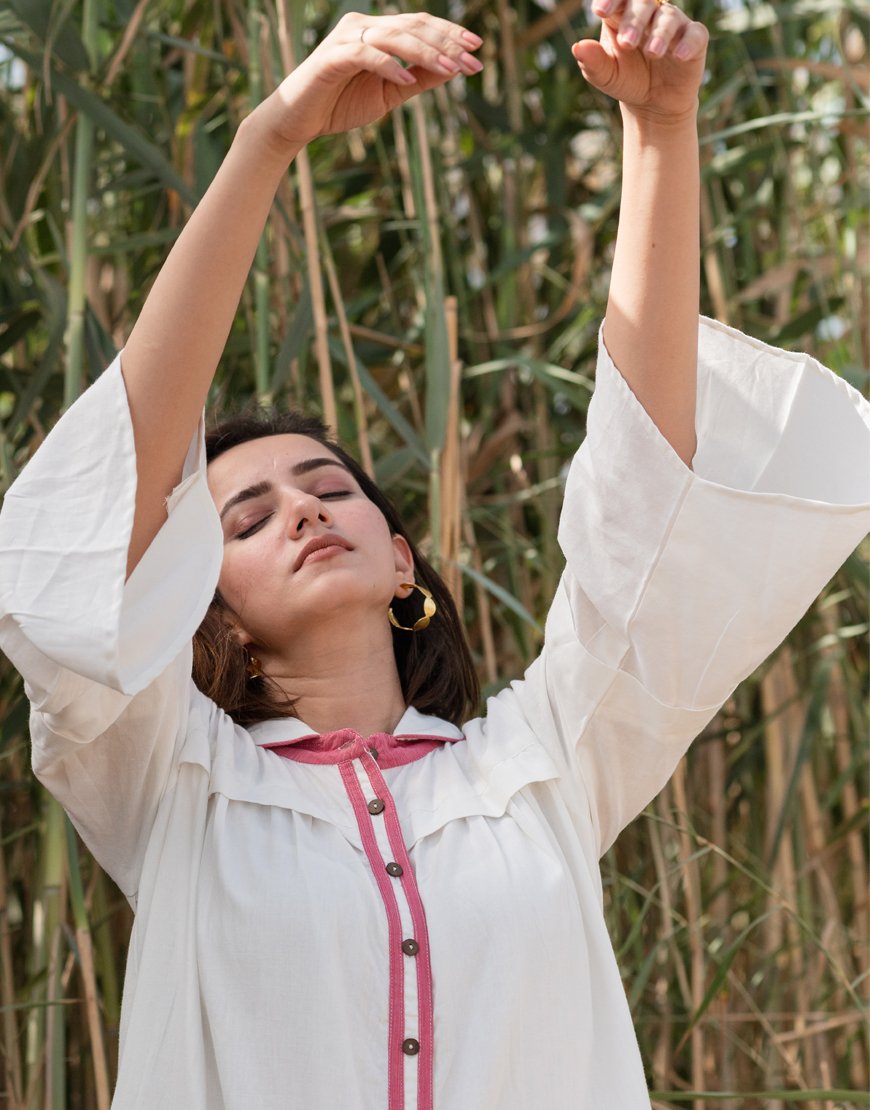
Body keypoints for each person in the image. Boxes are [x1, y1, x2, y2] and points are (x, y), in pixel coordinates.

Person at [1, 4, 868, 1108]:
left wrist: (662, 134)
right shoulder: (171, 786)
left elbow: (647, 505)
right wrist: (272, 137)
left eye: (328, 489)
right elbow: (114, 503)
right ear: (196, 597)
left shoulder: (539, 770)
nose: (305, 514)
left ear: (402, 559)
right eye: (247, 519)